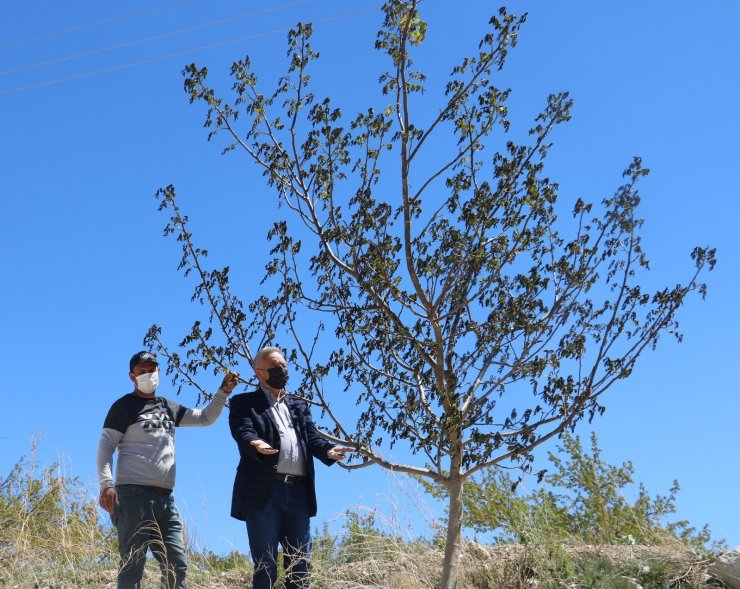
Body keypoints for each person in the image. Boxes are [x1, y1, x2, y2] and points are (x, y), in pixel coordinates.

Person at [97, 350, 239, 589]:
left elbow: (204, 418)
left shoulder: (168, 406)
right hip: (132, 496)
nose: (148, 375)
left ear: (159, 371)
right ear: (132, 376)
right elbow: (105, 445)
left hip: (165, 498)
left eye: (152, 370)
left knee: (176, 562)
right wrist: (106, 484)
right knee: (133, 563)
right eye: (142, 371)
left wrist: (223, 392)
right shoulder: (123, 407)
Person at [228, 346, 352, 589]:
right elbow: (243, 430)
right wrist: (254, 442)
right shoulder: (244, 402)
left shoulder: (298, 405)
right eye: (275, 367)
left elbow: (311, 437)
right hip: (263, 493)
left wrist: (328, 451)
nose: (282, 371)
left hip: (297, 494)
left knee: (301, 565)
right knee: (266, 566)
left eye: (284, 366)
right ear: (259, 372)